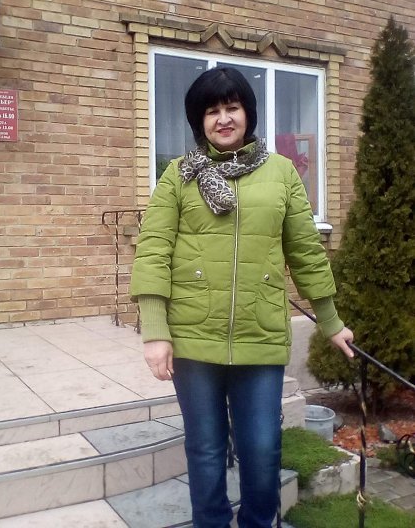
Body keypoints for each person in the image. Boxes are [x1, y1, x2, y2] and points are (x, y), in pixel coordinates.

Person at [130, 67, 354, 528]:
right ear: (200, 121)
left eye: (232, 107)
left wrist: (330, 321)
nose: (224, 118)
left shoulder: (282, 172)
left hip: (260, 335)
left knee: (262, 447)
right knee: (206, 448)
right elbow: (153, 250)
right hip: (193, 338)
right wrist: (155, 331)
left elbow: (305, 251)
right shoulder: (178, 175)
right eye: (212, 111)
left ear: (248, 113)